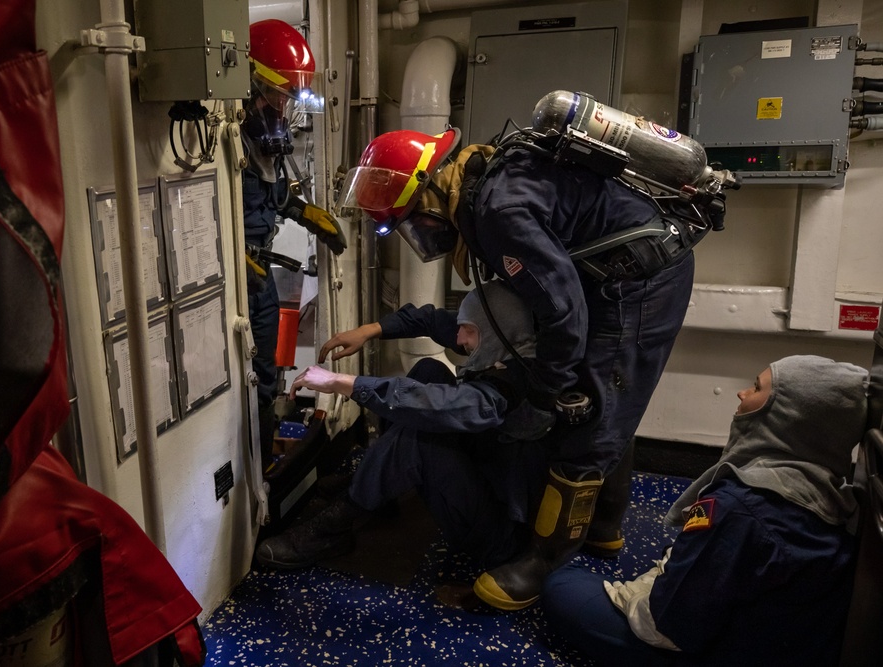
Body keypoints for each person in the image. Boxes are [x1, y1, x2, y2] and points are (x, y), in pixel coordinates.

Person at [336, 95, 734, 609]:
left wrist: (544, 394)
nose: (420, 231)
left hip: (641, 281)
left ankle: (541, 562)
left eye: (413, 218)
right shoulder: (484, 176)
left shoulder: (498, 210)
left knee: (590, 408)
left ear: (430, 188)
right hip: (621, 266)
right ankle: (605, 526)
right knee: (606, 396)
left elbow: (563, 313)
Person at [541, 355, 866, 666]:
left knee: (562, 585)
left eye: (756, 388)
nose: (742, 392)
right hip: (787, 645)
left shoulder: (741, 505)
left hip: (725, 653)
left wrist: (637, 598)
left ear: (786, 417)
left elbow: (665, 627)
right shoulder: (838, 496)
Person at [255, 279, 558, 572]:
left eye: (468, 331)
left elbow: (441, 405)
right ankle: (377, 488)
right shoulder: (508, 338)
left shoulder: (516, 380)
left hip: (498, 534)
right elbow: (429, 319)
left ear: (496, 334)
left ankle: (333, 530)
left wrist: (343, 382)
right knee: (430, 370)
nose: (459, 339)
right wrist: (369, 330)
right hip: (483, 470)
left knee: (418, 437)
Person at [243, 19, 347, 467]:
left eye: (290, 95)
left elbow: (275, 194)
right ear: (251, 87)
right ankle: (250, 469)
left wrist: (307, 212)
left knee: (265, 377)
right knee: (246, 377)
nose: (285, 107)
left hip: (259, 277)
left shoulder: (263, 142)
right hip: (240, 279)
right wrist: (233, 262)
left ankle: (263, 466)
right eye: (280, 94)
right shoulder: (226, 141)